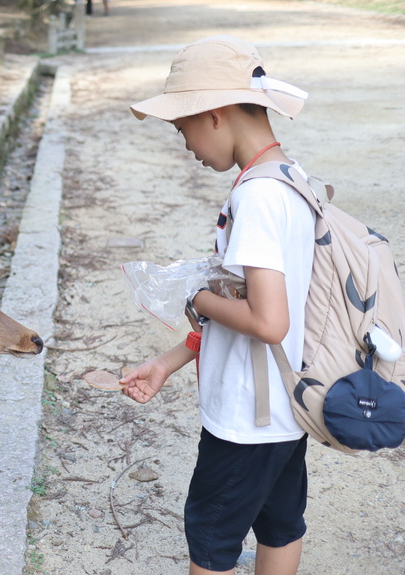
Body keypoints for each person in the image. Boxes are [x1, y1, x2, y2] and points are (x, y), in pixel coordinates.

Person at [120, 35, 315, 575]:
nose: (185, 145)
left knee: (212, 542)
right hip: (283, 411)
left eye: (182, 128)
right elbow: (265, 309)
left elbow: (267, 322)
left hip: (243, 420)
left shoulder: (254, 197)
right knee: (281, 526)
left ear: (214, 115)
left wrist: (194, 292)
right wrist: (168, 361)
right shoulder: (292, 181)